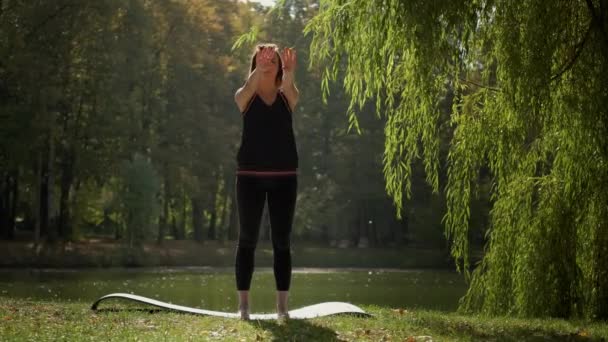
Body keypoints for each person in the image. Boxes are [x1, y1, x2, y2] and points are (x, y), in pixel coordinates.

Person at [233, 43, 299, 321]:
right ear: (255, 64)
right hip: (250, 177)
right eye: (263, 59)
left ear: (280, 67)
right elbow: (245, 92)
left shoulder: (286, 95)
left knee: (281, 242)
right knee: (247, 239)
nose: (268, 62)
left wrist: (290, 73)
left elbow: (292, 93)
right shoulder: (245, 96)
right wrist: (257, 71)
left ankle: (282, 308)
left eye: (273, 60)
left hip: (285, 177)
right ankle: (244, 307)